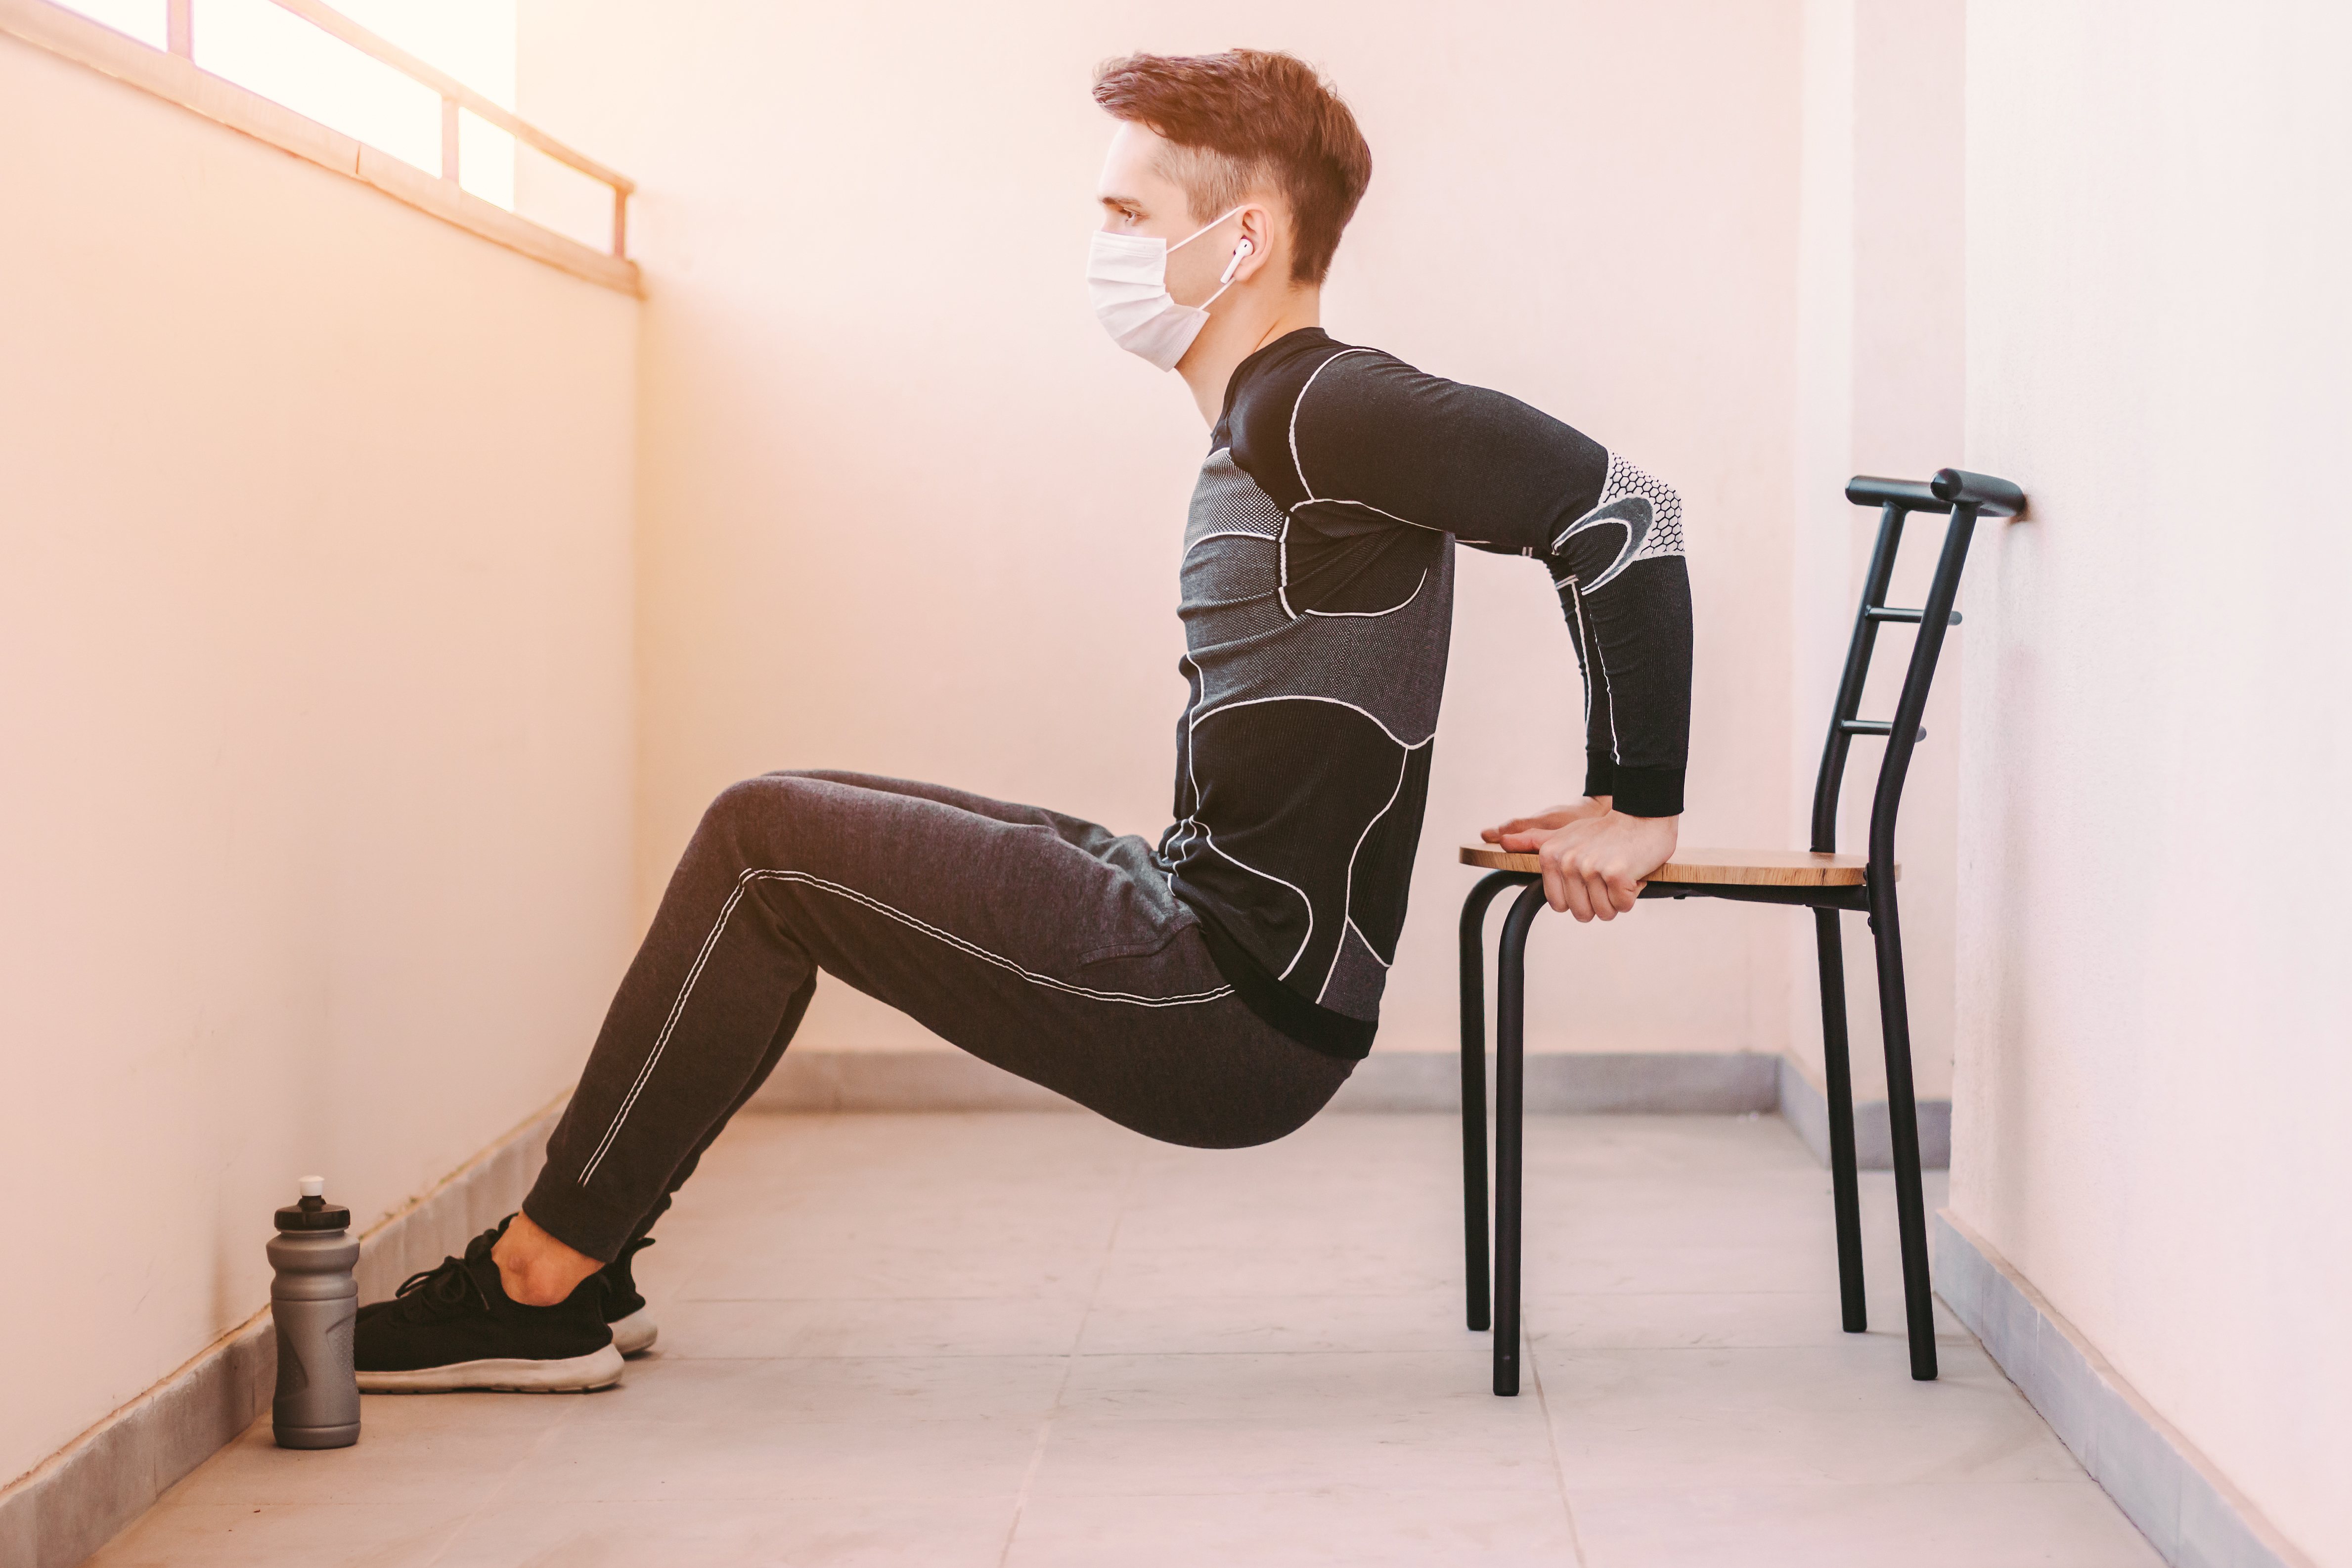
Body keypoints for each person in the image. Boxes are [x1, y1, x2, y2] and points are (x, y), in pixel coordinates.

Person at [353, 47, 1692, 1392]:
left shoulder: (1328, 404)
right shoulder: (1278, 416)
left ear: (1247, 238)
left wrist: (1638, 800)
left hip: (1230, 1002)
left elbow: (1627, 515)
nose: (1102, 247)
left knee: (761, 843)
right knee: (786, 818)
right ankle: (593, 1249)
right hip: (1212, 933)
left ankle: (539, 1280)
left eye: (1131, 219)